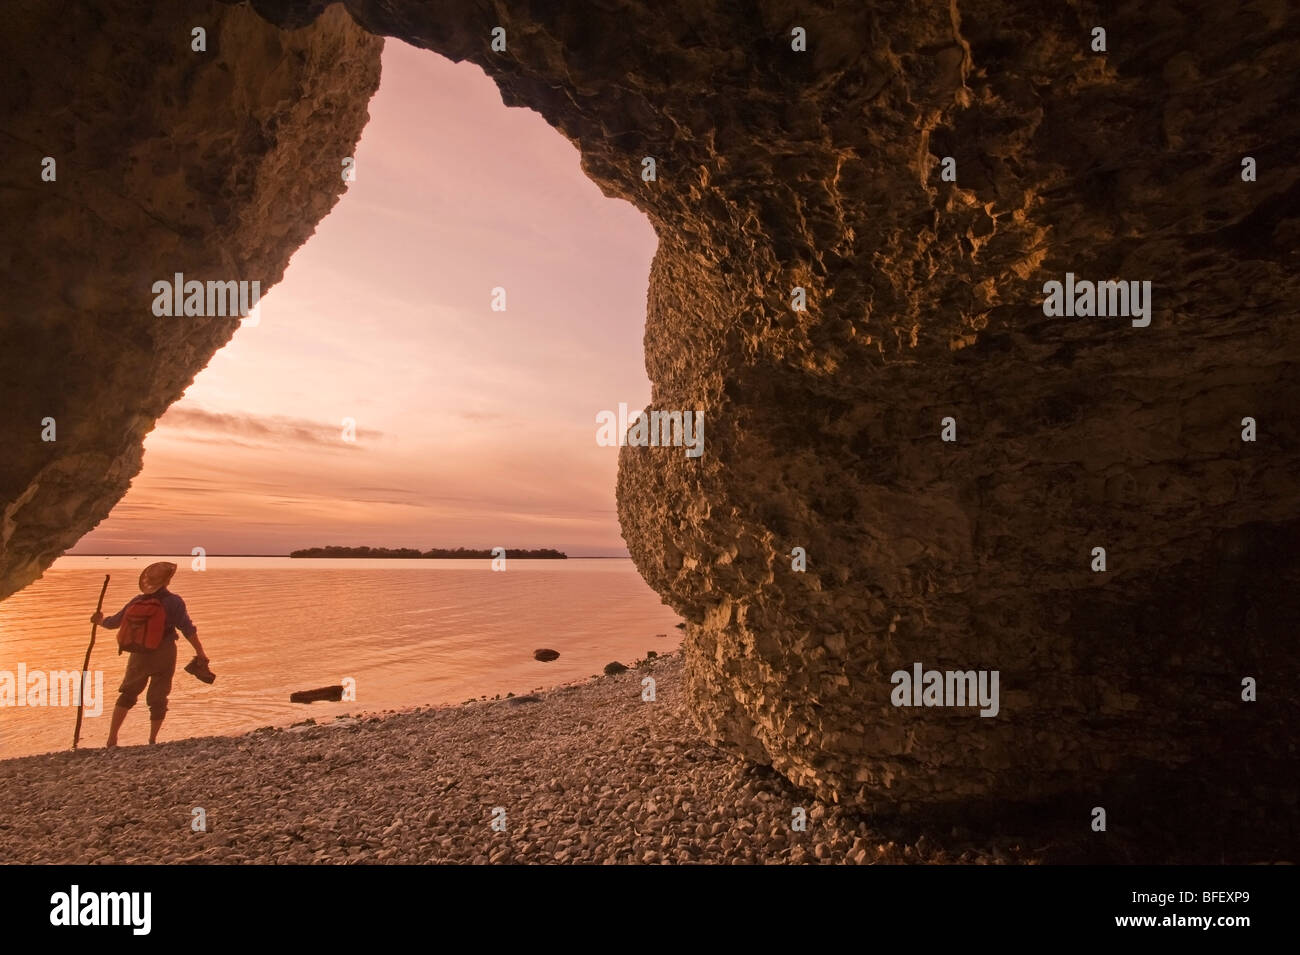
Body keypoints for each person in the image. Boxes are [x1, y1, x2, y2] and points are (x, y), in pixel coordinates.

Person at [91, 561, 209, 747]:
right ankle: (152, 740)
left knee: (128, 693)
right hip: (165, 652)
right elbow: (187, 628)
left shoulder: (136, 601)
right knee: (158, 697)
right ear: (168, 580)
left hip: (138, 653)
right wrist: (200, 652)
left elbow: (114, 622)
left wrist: (99, 620)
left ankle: (112, 737)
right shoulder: (174, 601)